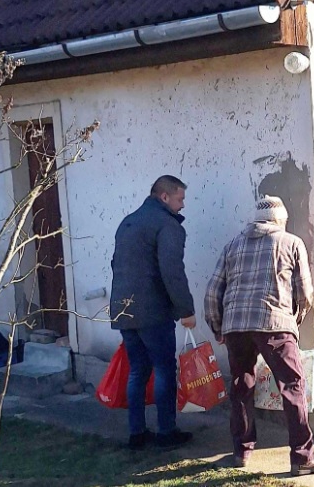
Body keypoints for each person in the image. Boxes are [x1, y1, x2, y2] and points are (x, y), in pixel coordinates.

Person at [204, 195, 314, 476]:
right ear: (280, 220)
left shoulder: (233, 246)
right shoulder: (290, 242)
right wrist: (294, 320)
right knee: (292, 387)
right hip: (275, 324)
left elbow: (213, 291)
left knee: (241, 388)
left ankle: (241, 452)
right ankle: (302, 457)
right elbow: (306, 293)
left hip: (236, 327)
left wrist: (218, 327)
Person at [110, 175, 196, 450]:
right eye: (180, 199)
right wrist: (186, 310)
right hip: (153, 311)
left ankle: (137, 433)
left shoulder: (128, 222)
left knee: (138, 370)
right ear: (164, 197)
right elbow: (172, 272)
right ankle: (166, 432)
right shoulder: (167, 225)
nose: (183, 205)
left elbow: (116, 264)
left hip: (124, 309)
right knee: (163, 369)